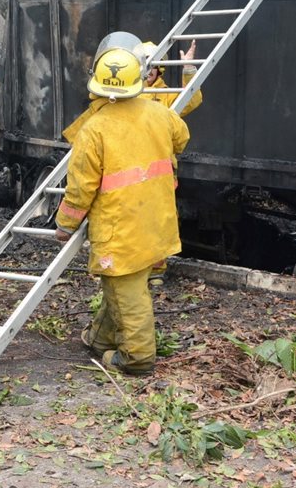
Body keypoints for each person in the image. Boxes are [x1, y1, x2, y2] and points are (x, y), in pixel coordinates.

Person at [54, 31, 190, 376]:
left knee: (129, 294)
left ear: (97, 83)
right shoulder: (160, 114)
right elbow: (182, 138)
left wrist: (66, 224)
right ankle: (100, 340)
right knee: (123, 287)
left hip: (120, 230)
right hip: (155, 221)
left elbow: (80, 187)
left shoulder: (94, 129)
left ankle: (137, 358)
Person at [133, 38, 204, 286]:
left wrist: (188, 69)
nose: (149, 71)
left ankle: (156, 271)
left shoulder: (165, 96)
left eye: (153, 66)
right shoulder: (127, 95)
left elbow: (192, 99)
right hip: (131, 171)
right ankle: (134, 268)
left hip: (160, 173)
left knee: (160, 220)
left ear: (159, 69)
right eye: (145, 66)